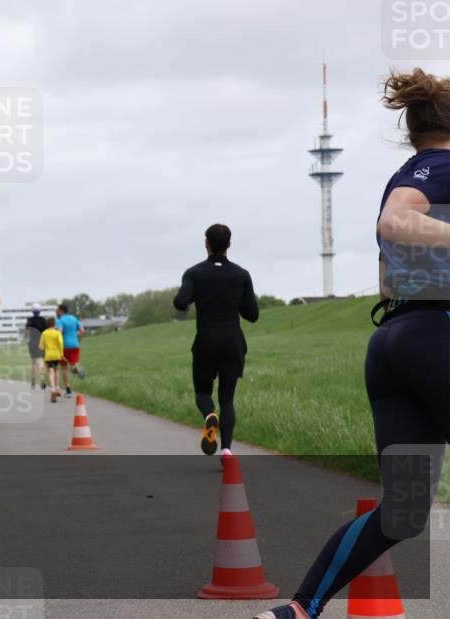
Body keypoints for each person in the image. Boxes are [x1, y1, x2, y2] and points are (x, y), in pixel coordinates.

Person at [255, 68, 450, 619]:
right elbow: (396, 224)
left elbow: (390, 278)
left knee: (404, 511)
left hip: (395, 340)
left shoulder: (406, 172)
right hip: (437, 335)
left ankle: (298, 609)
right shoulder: (443, 170)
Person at [172, 223, 258, 457]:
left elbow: (180, 303)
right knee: (227, 399)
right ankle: (227, 450)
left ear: (206, 244)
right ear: (229, 244)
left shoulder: (194, 273)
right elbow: (253, 315)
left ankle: (210, 415)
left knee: (203, 394)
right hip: (233, 341)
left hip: (206, 340)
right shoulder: (241, 275)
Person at [55, 304, 85, 397]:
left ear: (61, 311)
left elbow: (59, 332)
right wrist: (79, 340)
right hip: (75, 345)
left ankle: (68, 390)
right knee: (72, 367)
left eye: (57, 310)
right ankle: (76, 367)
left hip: (64, 347)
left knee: (64, 368)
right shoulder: (74, 318)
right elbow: (82, 330)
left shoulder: (60, 321)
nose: (56, 312)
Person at [39, 317, 64, 403]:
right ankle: (57, 387)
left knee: (51, 371)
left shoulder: (44, 333)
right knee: (56, 371)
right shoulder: (57, 333)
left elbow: (41, 347)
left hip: (48, 355)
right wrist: (61, 353)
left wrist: (46, 348)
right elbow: (61, 343)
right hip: (57, 355)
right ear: (54, 324)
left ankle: (53, 388)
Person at [25, 306, 48, 390]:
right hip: (42, 342)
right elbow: (46, 332)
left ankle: (33, 381)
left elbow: (27, 332)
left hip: (32, 343)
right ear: (39, 311)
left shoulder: (30, 320)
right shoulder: (43, 320)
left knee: (34, 363)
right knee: (41, 361)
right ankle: (42, 378)